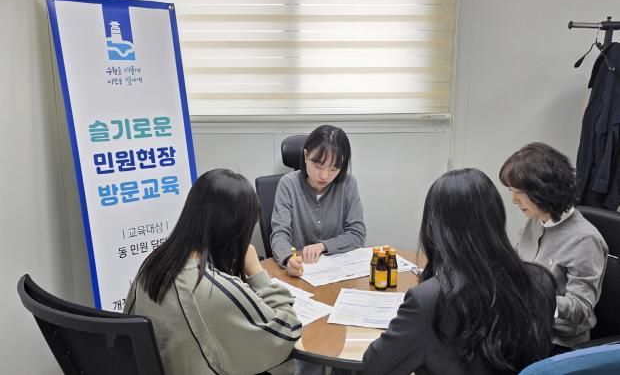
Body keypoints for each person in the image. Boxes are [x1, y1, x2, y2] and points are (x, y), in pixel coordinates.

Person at [363, 168, 557, 375]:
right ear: (496, 217)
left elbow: (374, 367)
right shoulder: (541, 281)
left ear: (436, 227)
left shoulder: (428, 300)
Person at [124, 169, 301, 375]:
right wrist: (256, 271)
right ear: (234, 230)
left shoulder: (153, 265)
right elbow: (287, 331)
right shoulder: (211, 287)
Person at [500, 142, 608, 351]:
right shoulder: (535, 221)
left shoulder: (585, 240)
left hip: (558, 341)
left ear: (542, 191)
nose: (513, 200)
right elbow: (518, 266)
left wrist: (530, 298)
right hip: (526, 326)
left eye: (518, 192)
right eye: (510, 190)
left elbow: (581, 308)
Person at [270, 124, 366, 276]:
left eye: (334, 169)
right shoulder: (288, 184)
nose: (324, 176)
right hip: (300, 270)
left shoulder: (348, 184)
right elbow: (279, 233)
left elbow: (357, 234)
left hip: (337, 273)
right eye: (318, 166)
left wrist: (323, 246)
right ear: (306, 156)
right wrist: (288, 259)